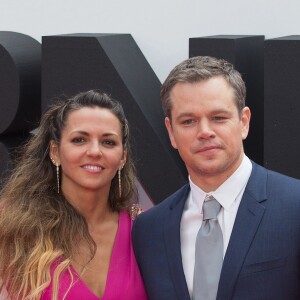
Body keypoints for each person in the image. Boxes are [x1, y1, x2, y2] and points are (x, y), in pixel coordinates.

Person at [132, 56, 300, 300]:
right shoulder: (149, 229)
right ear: (171, 132)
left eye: (218, 118)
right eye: (189, 121)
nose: (205, 132)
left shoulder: (295, 207)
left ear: (243, 122)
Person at [0, 90, 147, 300]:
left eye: (108, 142)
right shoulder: (12, 228)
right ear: (55, 152)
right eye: (79, 140)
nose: (95, 151)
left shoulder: (144, 229)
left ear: (122, 157)